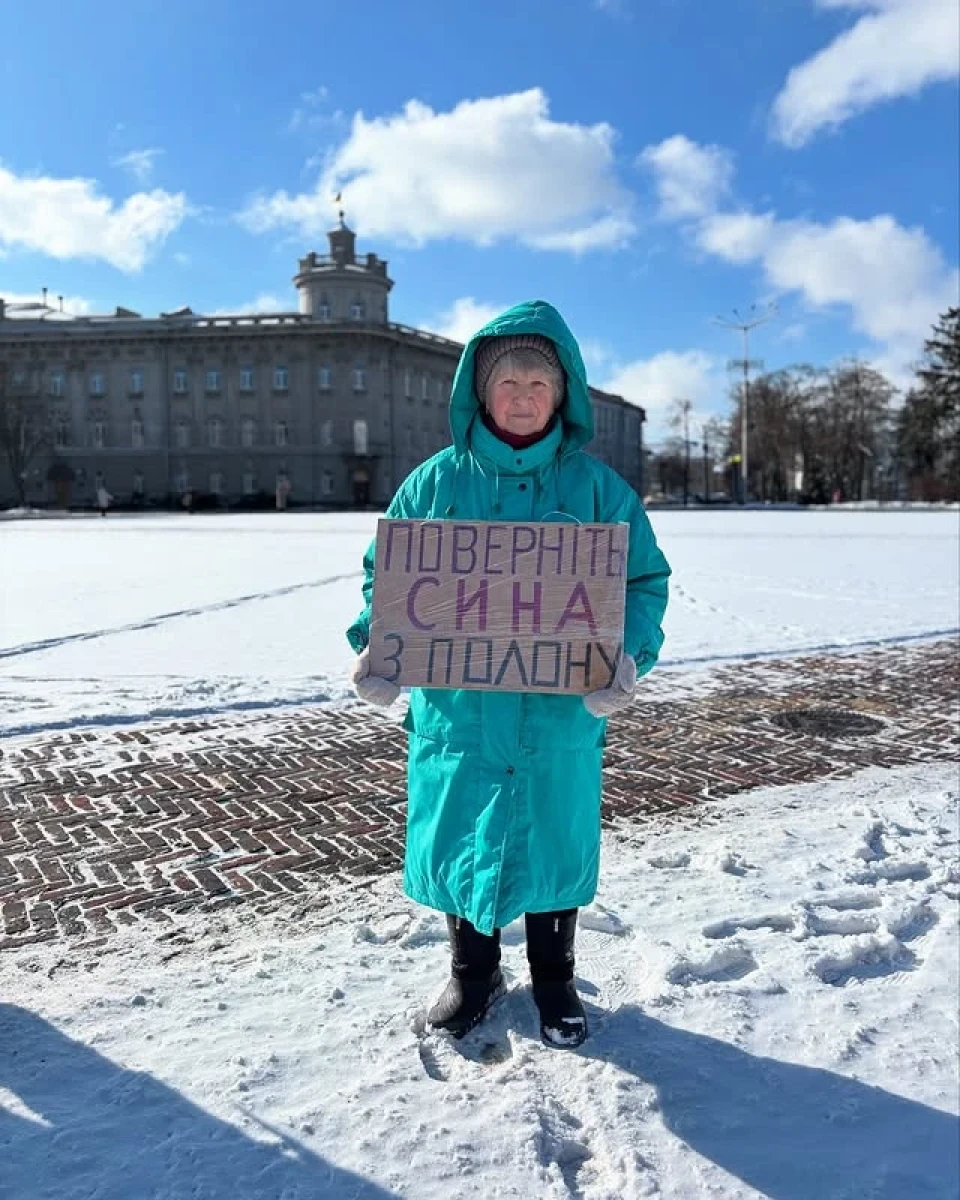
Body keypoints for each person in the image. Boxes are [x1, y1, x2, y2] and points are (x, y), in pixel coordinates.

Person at [346, 301, 671, 1049]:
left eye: (538, 382)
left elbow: (643, 582)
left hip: (558, 714)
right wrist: (380, 646)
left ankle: (555, 979)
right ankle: (472, 971)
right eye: (508, 382)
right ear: (480, 392)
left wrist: (628, 655)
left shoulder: (598, 492)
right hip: (459, 712)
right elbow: (385, 577)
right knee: (464, 836)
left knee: (554, 842)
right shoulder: (433, 485)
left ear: (562, 394)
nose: (523, 396)